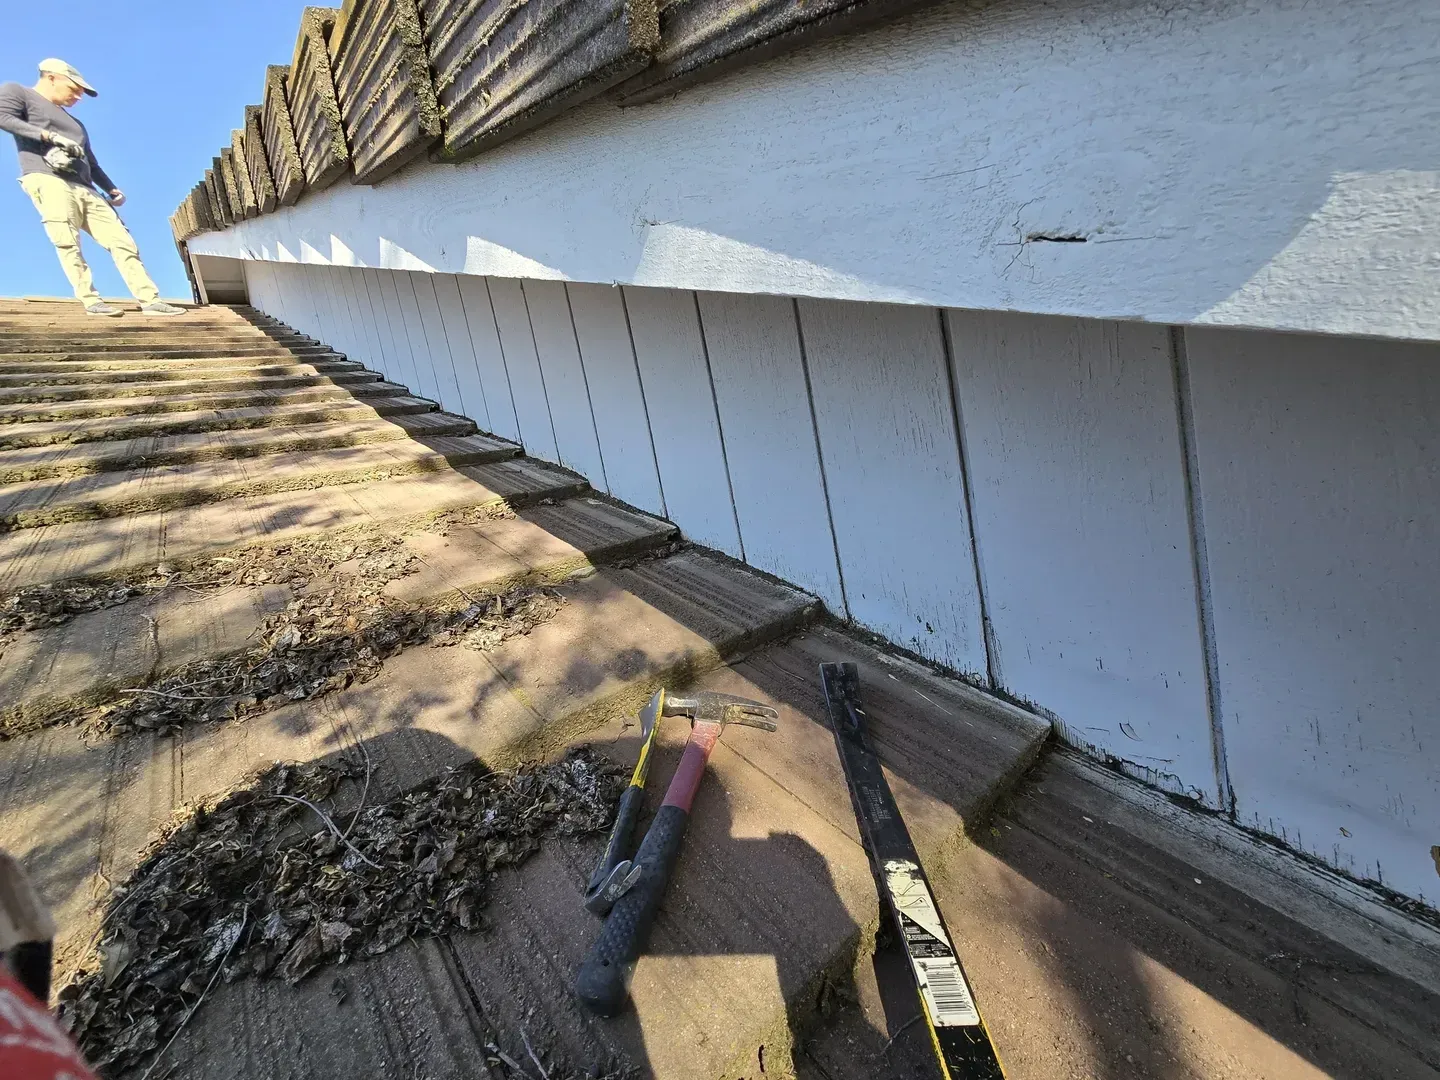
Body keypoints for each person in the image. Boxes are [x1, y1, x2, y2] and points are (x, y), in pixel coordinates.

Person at [0, 59, 183, 317]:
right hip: (47, 177)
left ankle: (150, 300)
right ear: (51, 77)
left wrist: (110, 188)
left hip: (86, 187)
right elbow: (3, 117)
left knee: (122, 240)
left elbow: (91, 162)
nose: (78, 96)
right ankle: (91, 300)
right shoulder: (18, 92)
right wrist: (49, 137)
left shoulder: (76, 124)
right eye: (74, 88)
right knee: (67, 239)